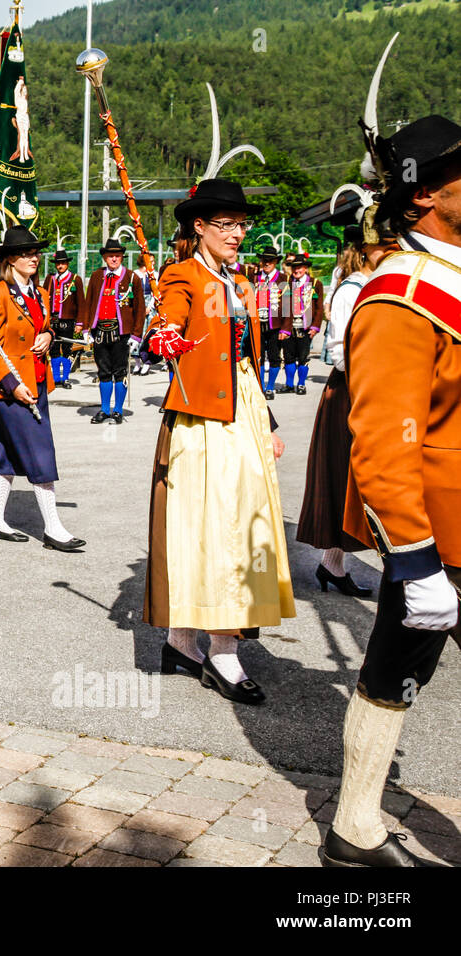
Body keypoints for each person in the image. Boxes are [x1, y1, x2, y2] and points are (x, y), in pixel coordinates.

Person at [322, 115, 461, 867]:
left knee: (389, 675)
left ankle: (352, 827)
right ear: (426, 197)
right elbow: (381, 445)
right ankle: (353, 828)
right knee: (391, 676)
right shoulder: (399, 295)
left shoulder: (450, 277)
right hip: (442, 538)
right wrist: (415, 562)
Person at [144, 178, 295, 705]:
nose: (236, 232)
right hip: (203, 418)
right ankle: (213, 652)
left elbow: (248, 362)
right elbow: (165, 323)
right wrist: (165, 335)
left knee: (242, 525)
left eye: (241, 223)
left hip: (244, 410)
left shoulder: (241, 281)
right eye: (225, 224)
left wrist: (268, 422)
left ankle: (189, 644)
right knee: (212, 528)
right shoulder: (181, 274)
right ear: (199, 226)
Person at [0, 225, 84, 552]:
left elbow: (46, 327)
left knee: (6, 455)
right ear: (10, 259)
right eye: (26, 253)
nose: (34, 258)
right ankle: (53, 528)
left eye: (36, 252)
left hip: (36, 381)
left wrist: (48, 336)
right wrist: (12, 385)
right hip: (12, 389)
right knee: (41, 452)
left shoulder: (40, 293)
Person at [296, 222, 386, 598]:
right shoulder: (353, 290)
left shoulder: (376, 286)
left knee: (361, 484)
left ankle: (332, 564)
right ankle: (335, 564)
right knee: (345, 481)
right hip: (351, 392)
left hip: (372, 391)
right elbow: (339, 353)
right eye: (387, 244)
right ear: (366, 250)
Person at [82, 237, 146, 424]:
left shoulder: (132, 277)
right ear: (105, 258)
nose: (114, 259)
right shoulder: (96, 276)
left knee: (119, 371)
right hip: (100, 330)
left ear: (122, 257)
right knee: (103, 371)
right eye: (111, 256)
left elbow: (140, 309)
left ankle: (117, 410)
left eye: (117, 256)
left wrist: (136, 334)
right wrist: (87, 329)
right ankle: (104, 410)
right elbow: (89, 303)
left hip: (122, 332)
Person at [281, 253, 325, 395]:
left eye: (299, 267)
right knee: (288, 356)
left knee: (303, 357)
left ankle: (301, 384)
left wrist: (315, 327)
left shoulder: (315, 283)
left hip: (306, 327)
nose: (296, 270)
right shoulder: (287, 283)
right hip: (289, 327)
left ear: (305, 268)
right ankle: (289, 385)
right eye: (294, 267)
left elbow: (319, 308)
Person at [44, 248, 82, 388]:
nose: (60, 266)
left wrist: (80, 322)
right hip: (53, 319)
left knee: (67, 349)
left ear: (67, 264)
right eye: (58, 263)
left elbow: (80, 302)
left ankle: (65, 378)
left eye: (63, 263)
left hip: (68, 319)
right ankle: (56, 378)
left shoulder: (75, 279)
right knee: (53, 348)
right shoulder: (50, 279)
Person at [253, 247, 288, 399]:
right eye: (264, 260)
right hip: (257, 324)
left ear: (275, 262)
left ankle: (270, 386)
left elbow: (288, 305)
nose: (266, 263)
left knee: (274, 356)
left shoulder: (283, 279)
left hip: (276, 325)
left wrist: (286, 329)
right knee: (258, 356)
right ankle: (260, 386)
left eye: (270, 260)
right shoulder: (254, 277)